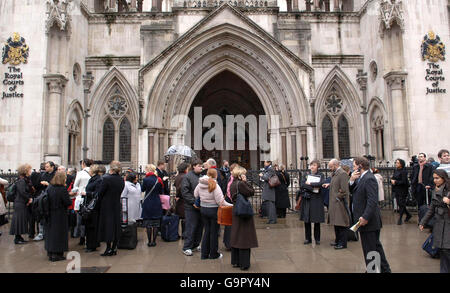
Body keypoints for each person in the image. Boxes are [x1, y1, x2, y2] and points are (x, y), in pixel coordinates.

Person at [350, 157, 391, 273]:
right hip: (364, 220)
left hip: (369, 221)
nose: (353, 168)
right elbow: (352, 190)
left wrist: (365, 217)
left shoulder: (369, 179)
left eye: (354, 166)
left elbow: (372, 200)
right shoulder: (360, 178)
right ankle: (384, 270)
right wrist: (352, 180)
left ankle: (373, 270)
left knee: (370, 249)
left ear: (360, 166)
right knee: (375, 247)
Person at [194, 168, 232, 259]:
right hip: (213, 210)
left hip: (203, 209)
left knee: (207, 231)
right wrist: (231, 205)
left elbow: (195, 195)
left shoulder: (200, 184)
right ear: (216, 175)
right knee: (214, 232)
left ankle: (204, 254)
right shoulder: (215, 185)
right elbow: (220, 202)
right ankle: (214, 254)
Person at [419, 169, 450, 273]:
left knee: (447, 249)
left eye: (437, 178)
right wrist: (423, 222)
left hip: (448, 224)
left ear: (443, 178)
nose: (435, 180)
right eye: (434, 178)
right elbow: (431, 209)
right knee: (442, 249)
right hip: (439, 223)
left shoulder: (449, 190)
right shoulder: (435, 190)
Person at [230, 166, 258, 270]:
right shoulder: (241, 184)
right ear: (240, 175)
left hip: (236, 210)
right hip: (243, 212)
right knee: (244, 237)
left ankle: (235, 261)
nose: (245, 175)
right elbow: (251, 191)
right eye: (244, 174)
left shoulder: (233, 184)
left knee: (236, 235)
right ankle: (244, 263)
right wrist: (246, 182)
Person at [97, 161, 125, 256]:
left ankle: (108, 248)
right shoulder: (121, 180)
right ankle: (114, 248)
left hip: (107, 205)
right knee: (116, 225)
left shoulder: (107, 179)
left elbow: (100, 193)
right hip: (116, 204)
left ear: (111, 169)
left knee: (108, 226)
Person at [44, 171, 72, 262]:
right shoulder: (62, 189)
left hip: (50, 213)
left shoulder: (49, 187)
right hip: (60, 214)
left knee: (51, 233)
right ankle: (57, 254)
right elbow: (67, 202)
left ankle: (51, 252)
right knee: (59, 234)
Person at [300, 160, 325, 245]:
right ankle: (308, 238)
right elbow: (303, 185)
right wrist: (312, 188)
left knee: (316, 220)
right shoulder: (306, 174)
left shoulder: (321, 175)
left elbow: (321, 183)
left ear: (317, 166)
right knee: (307, 220)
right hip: (307, 199)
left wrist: (310, 183)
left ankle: (317, 238)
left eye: (314, 165)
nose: (312, 167)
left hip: (317, 199)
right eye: (311, 165)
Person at [181, 159, 203, 256]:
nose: (201, 167)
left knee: (199, 226)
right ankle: (187, 247)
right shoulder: (187, 177)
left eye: (202, 166)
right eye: (199, 166)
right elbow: (185, 192)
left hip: (201, 206)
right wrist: (194, 202)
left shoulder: (202, 176)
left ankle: (196, 244)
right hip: (191, 207)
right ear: (194, 166)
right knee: (191, 227)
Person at [81, 164, 105, 252]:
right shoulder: (93, 179)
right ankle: (90, 244)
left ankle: (92, 245)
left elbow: (97, 194)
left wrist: (86, 194)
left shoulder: (98, 180)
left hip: (93, 207)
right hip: (89, 205)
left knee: (92, 226)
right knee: (89, 226)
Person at [327, 159, 350, 249]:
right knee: (336, 223)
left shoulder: (342, 174)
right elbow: (336, 186)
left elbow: (344, 190)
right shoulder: (335, 174)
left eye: (331, 167)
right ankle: (337, 240)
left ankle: (343, 243)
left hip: (339, 203)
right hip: (334, 202)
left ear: (335, 165)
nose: (330, 168)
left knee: (341, 223)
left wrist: (337, 197)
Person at [9, 164, 34, 244]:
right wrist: (29, 198)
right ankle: (17, 238)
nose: (31, 171)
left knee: (21, 220)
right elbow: (22, 192)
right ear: (25, 171)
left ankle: (19, 237)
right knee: (18, 220)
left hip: (22, 202)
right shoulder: (21, 180)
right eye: (30, 170)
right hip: (20, 203)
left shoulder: (24, 180)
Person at [70, 159, 92, 246]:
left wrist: (71, 193)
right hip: (90, 199)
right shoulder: (93, 172)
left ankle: (82, 237)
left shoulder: (80, 173)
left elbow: (75, 187)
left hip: (81, 199)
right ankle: (88, 237)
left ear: (83, 164)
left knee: (80, 220)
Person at [33, 161, 57, 241]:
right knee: (41, 215)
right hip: (43, 197)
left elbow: (57, 186)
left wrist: (48, 184)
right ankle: (41, 233)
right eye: (45, 166)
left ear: (52, 167)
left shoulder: (56, 175)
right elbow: (37, 185)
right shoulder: (43, 174)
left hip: (52, 197)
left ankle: (50, 233)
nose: (45, 168)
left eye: (47, 166)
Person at [141, 164, 163, 247]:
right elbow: (161, 191)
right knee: (156, 223)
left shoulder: (146, 179)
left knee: (148, 223)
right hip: (156, 202)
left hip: (148, 202)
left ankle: (149, 241)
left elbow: (142, 189)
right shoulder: (159, 179)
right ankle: (154, 241)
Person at [391, 159, 412, 225]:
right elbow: (393, 178)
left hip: (402, 190)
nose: (396, 164)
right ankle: (408, 214)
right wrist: (392, 181)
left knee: (401, 203)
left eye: (397, 163)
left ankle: (400, 218)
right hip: (396, 189)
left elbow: (404, 182)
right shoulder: (396, 170)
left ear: (401, 164)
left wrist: (396, 182)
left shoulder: (404, 171)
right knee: (400, 204)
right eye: (396, 163)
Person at [223, 163, 239, 250]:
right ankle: (230, 243)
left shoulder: (230, 177)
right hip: (232, 203)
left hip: (229, 202)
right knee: (231, 224)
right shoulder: (233, 179)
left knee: (229, 223)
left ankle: (229, 242)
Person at [175, 163, 189, 239]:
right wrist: (179, 196)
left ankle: (180, 233)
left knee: (180, 216)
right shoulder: (185, 177)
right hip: (183, 199)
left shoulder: (177, 176)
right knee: (184, 217)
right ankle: (184, 234)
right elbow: (181, 188)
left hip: (179, 199)